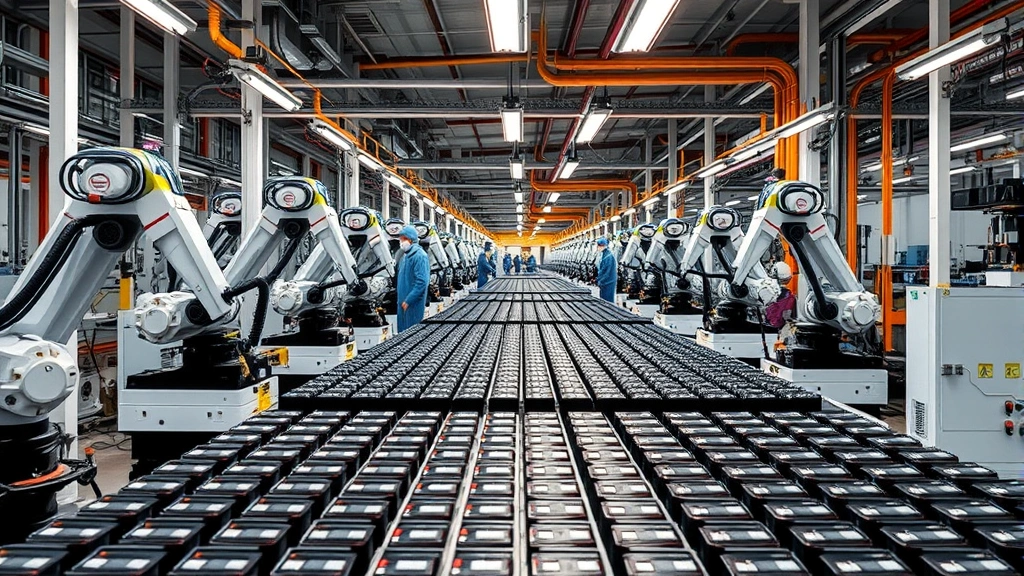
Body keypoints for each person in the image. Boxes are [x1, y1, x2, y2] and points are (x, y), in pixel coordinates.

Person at [396, 225, 430, 332]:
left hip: (412, 304)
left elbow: (422, 282)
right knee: (402, 335)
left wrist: (408, 300)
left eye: (403, 239)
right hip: (403, 303)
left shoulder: (420, 256)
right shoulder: (406, 256)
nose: (401, 242)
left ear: (410, 239)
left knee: (411, 334)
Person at [595, 237, 618, 302]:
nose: (597, 248)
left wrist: (600, 280)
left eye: (598, 246)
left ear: (602, 246)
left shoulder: (608, 256)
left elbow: (606, 272)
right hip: (605, 281)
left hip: (608, 281)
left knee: (607, 300)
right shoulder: (605, 254)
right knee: (603, 299)